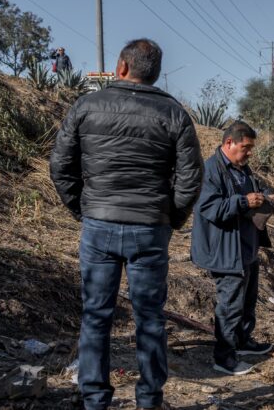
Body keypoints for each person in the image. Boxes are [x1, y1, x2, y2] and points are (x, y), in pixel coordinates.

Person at [50, 38, 203, 410]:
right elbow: (190, 178)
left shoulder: (87, 105)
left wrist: (84, 210)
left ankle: (94, 400)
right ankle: (150, 400)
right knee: (150, 319)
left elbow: (60, 167)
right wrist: (170, 218)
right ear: (155, 74)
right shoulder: (174, 114)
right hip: (149, 228)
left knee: (96, 316)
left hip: (99, 225)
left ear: (121, 67)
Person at [191, 121, 274, 376]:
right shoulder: (210, 170)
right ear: (229, 143)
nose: (250, 152)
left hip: (247, 249)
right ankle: (225, 357)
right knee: (229, 305)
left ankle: (242, 342)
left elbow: (257, 189)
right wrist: (244, 201)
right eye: (246, 147)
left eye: (251, 147)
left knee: (247, 301)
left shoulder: (243, 169)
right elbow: (209, 208)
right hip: (225, 251)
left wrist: (267, 195)